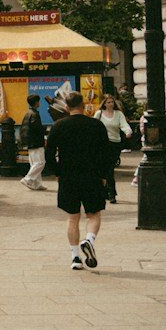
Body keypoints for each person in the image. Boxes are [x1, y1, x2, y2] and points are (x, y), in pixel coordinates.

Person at [46, 92, 109, 271]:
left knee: (72, 217)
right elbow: (106, 153)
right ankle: (89, 239)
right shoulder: (96, 125)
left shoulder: (59, 126)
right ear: (83, 105)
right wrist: (104, 175)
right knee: (94, 214)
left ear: (67, 107)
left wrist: (57, 172)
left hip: (68, 176)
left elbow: (49, 154)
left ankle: (75, 257)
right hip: (92, 175)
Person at [96, 95, 132, 202]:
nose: (110, 104)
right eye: (108, 102)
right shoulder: (99, 114)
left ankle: (109, 192)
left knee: (109, 167)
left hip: (115, 144)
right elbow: (93, 125)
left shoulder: (118, 114)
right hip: (102, 143)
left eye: (112, 102)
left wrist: (128, 131)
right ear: (104, 104)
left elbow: (124, 125)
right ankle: (110, 193)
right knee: (105, 169)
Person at [19, 94, 47, 192]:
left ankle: (37, 184)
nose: (39, 103)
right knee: (40, 163)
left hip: (30, 142)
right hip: (36, 142)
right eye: (38, 101)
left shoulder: (28, 113)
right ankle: (28, 179)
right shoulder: (35, 114)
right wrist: (46, 130)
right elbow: (37, 129)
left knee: (34, 164)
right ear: (36, 102)